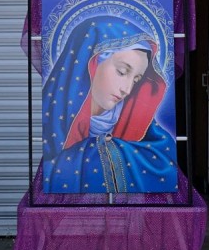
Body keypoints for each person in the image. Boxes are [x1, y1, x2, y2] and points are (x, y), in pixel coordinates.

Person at [41, 16, 178, 194]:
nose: (127, 89)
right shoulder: (54, 115)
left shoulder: (137, 121)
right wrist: (96, 149)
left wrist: (109, 149)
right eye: (122, 72)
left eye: (136, 80)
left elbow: (165, 164)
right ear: (90, 63)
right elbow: (49, 171)